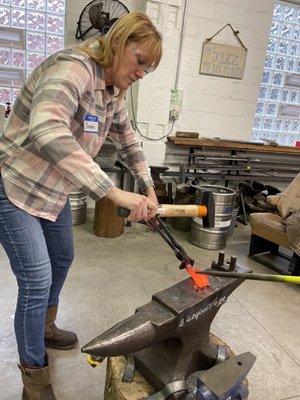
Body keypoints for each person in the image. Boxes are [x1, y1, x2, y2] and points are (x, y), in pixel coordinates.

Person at [0, 11, 162, 399]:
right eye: (140, 61)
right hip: (14, 184)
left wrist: (147, 185)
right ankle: (34, 382)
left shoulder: (113, 91)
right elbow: (47, 127)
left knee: (62, 257)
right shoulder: (75, 68)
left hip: (52, 189)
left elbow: (128, 140)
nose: (141, 73)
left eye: (149, 69)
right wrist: (111, 191)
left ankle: (44, 327)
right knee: (36, 281)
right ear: (120, 43)